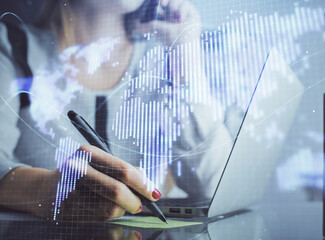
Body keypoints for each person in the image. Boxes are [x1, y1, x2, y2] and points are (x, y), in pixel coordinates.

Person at [0, 0, 233, 222]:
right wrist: (45, 190)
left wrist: (185, 68)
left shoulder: (165, 56)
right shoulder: (11, 46)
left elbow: (217, 187)